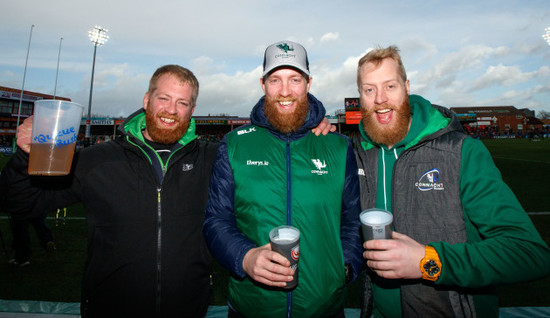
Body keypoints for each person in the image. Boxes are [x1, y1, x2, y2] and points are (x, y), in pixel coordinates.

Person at [0, 64, 333, 318]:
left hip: (188, 310)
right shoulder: (97, 159)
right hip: (109, 308)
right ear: (147, 100)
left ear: (192, 110)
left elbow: (271, 148)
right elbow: (23, 205)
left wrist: (311, 126)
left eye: (183, 103)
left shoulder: (212, 158)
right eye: (164, 98)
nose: (172, 111)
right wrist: (22, 157)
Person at [354, 46, 550, 317]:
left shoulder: (461, 152)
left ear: (407, 87)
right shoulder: (357, 155)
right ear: (360, 97)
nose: (380, 99)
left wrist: (428, 261)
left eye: (390, 86)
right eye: (369, 90)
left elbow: (528, 252)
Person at [203, 40, 363, 317]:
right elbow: (216, 220)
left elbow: (352, 220)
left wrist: (345, 267)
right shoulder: (233, 145)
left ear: (308, 83)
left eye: (294, 79)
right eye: (275, 79)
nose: (285, 91)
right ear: (262, 84)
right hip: (251, 307)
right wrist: (245, 257)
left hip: (324, 308)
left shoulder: (338, 146)